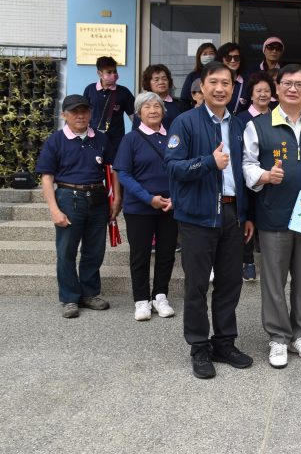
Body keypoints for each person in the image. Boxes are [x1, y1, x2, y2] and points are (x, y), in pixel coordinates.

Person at [165, 61, 254, 379]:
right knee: (197, 285)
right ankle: (199, 347)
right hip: (197, 216)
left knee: (230, 283)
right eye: (213, 82)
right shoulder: (184, 122)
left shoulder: (240, 124)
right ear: (201, 86)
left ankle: (224, 343)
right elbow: (173, 167)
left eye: (226, 83)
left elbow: (245, 171)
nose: (220, 88)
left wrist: (245, 214)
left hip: (232, 213)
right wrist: (208, 162)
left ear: (233, 88)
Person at [242, 64, 301, 369]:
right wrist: (265, 176)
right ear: (277, 88)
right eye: (287, 83)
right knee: (274, 281)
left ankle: (300, 335)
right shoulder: (258, 125)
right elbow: (247, 163)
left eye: (300, 84)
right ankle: (278, 338)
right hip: (273, 211)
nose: (293, 89)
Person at [35, 94, 121, 318]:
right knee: (66, 251)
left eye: (84, 110)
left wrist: (117, 199)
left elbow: (113, 169)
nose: (80, 115)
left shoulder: (100, 139)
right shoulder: (56, 140)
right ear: (64, 115)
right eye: (74, 111)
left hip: (98, 198)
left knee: (94, 250)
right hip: (68, 198)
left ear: (90, 113)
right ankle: (70, 298)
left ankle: (90, 293)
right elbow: (46, 177)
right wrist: (54, 210)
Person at [114, 92, 177, 321]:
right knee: (139, 255)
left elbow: (180, 170)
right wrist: (148, 198)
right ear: (138, 113)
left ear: (163, 110)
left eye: (157, 106)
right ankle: (141, 300)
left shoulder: (173, 138)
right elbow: (124, 174)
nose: (153, 110)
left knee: (166, 254)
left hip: (169, 207)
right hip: (139, 208)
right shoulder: (131, 139)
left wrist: (175, 199)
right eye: (147, 106)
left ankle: (160, 296)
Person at [237, 72, 277, 282]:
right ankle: (248, 261)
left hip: (273, 178)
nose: (263, 94)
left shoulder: (277, 116)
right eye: (258, 91)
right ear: (251, 95)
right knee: (247, 217)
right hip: (247, 177)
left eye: (267, 91)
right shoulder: (240, 118)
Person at [82, 56, 134, 150]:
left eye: (115, 71)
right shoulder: (90, 89)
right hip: (93, 139)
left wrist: (135, 137)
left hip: (116, 142)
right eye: (109, 72)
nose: (113, 74)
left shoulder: (124, 92)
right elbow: (83, 113)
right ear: (99, 73)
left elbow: (134, 117)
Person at [133, 64, 184, 130]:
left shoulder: (180, 105)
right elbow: (136, 132)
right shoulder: (143, 105)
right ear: (148, 82)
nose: (161, 82)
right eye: (156, 80)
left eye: (164, 79)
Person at [180, 42, 217, 110]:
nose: (208, 56)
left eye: (211, 53)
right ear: (199, 57)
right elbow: (184, 100)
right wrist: (193, 110)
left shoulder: (221, 75)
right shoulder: (192, 76)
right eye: (205, 54)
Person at [217, 42, 248, 114]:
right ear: (221, 60)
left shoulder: (247, 83)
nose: (233, 60)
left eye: (236, 58)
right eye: (228, 58)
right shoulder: (214, 82)